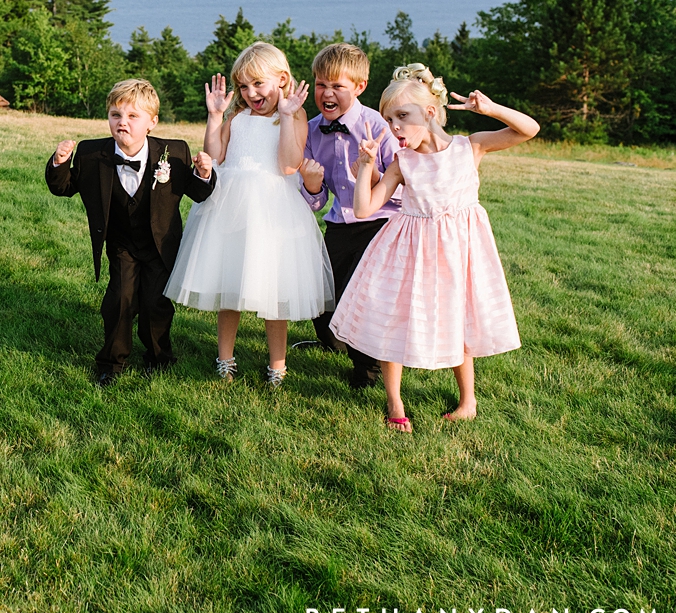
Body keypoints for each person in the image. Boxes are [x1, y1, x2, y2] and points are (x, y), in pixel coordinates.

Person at [328, 64, 539, 432]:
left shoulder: (469, 146)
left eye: (402, 117)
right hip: (409, 252)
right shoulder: (401, 162)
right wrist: (364, 166)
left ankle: (468, 400)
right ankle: (395, 402)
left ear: (428, 112)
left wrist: (490, 109)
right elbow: (364, 208)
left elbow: (529, 130)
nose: (394, 128)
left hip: (459, 253)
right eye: (389, 119)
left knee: (460, 317)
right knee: (396, 320)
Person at [166, 43, 334, 385]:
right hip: (230, 208)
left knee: (275, 290)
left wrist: (287, 115)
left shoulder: (292, 115)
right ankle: (225, 358)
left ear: (282, 79)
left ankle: (277, 365)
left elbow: (288, 164)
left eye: (258, 84)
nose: (251, 92)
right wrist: (215, 117)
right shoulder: (237, 117)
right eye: (243, 86)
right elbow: (215, 157)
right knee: (230, 284)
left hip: (274, 211)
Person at [46, 78, 216, 386]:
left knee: (156, 303)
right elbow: (63, 187)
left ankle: (158, 356)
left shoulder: (174, 152)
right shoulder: (90, 153)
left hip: (160, 244)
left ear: (152, 122)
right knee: (120, 299)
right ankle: (111, 362)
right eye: (115, 115)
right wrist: (59, 163)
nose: (122, 123)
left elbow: (198, 192)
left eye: (133, 116)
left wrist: (204, 174)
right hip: (121, 242)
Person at [280, 42, 401, 389]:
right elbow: (315, 203)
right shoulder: (314, 130)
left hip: (380, 223)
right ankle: (333, 342)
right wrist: (314, 186)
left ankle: (366, 371)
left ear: (360, 87)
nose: (327, 93)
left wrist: (374, 176)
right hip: (339, 222)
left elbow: (404, 183)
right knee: (321, 291)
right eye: (321, 85)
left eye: (337, 86)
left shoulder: (378, 126)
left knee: (360, 296)